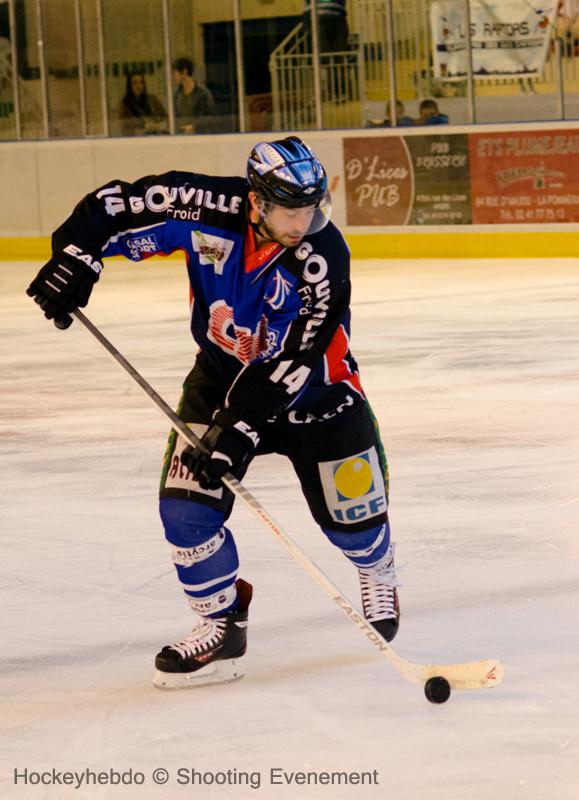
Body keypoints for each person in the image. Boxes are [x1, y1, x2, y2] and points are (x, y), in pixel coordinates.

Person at [26, 136, 400, 690]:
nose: (303, 221)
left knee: (355, 523)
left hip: (315, 392)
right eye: (290, 210)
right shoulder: (203, 206)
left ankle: (377, 568)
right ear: (256, 201)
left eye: (312, 207)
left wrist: (242, 427)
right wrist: (76, 258)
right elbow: (115, 206)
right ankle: (221, 624)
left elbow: (303, 353)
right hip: (221, 378)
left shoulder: (324, 255)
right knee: (185, 511)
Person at [172, 57, 216, 134]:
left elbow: (210, 117)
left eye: (175, 73)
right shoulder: (177, 94)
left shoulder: (203, 93)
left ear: (184, 72)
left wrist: (195, 126)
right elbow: (175, 116)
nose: (173, 77)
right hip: (182, 136)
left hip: (200, 136)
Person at [118, 71, 168, 137]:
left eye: (141, 82)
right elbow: (124, 131)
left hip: (157, 137)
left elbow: (166, 118)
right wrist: (144, 130)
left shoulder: (152, 99)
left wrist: (158, 126)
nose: (138, 85)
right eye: (134, 83)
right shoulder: (124, 105)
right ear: (129, 86)